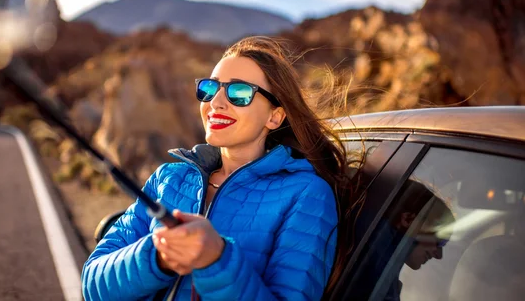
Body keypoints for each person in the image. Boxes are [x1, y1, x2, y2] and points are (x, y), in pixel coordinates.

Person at [81, 36, 359, 300]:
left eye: (239, 92)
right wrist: (159, 258)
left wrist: (217, 260)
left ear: (275, 117)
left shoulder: (306, 194)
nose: (215, 103)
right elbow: (93, 285)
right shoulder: (169, 178)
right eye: (210, 88)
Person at [348, 180, 455, 301]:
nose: (439, 255)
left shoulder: (376, 250)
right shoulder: (373, 267)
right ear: (408, 220)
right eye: (439, 240)